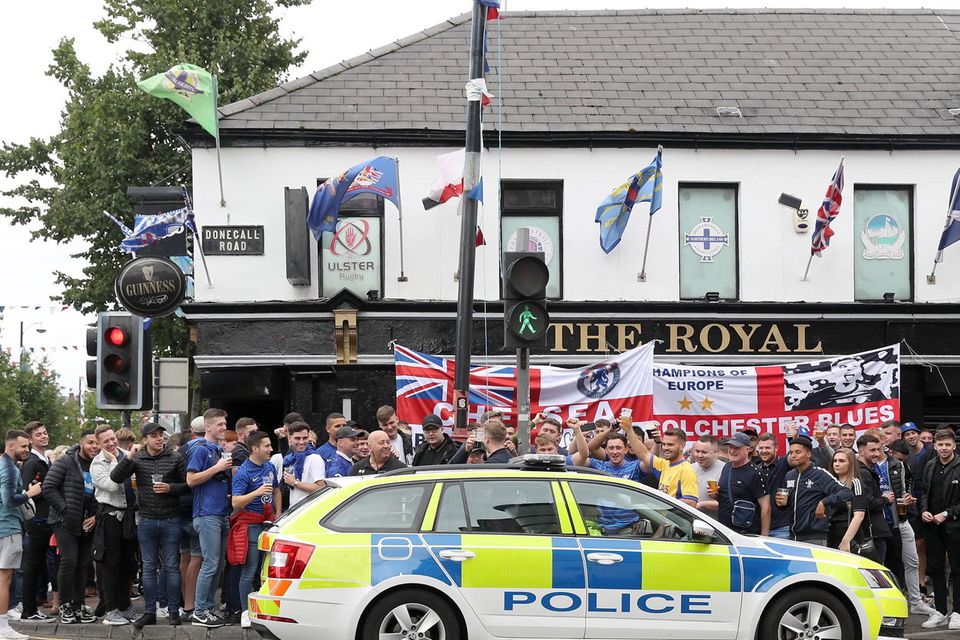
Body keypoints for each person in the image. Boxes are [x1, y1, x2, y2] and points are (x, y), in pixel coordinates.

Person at [112, 422, 186, 629]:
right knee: (148, 568)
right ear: (144, 440)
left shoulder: (175, 457)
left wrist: (170, 488)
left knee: (171, 567)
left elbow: (188, 485)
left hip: (171, 518)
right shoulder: (138, 458)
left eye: (161, 434)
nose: (159, 438)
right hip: (146, 520)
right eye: (153, 435)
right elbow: (115, 477)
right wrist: (129, 455)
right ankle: (150, 612)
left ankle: (173, 611)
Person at [41, 429, 99, 624]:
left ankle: (78, 604)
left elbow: (100, 494)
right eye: (90, 442)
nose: (94, 446)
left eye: (96, 443)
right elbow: (48, 487)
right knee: (69, 560)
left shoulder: (98, 465)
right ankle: (65, 604)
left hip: (86, 522)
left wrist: (95, 516)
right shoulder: (66, 462)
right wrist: (65, 509)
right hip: (64, 521)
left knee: (83, 564)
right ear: (81, 443)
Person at [185, 408, 233, 628]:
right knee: (211, 563)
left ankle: (208, 608)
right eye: (220, 424)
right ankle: (200, 611)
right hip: (207, 514)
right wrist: (217, 468)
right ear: (209, 427)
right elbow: (191, 480)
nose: (224, 427)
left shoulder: (216, 449)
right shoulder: (201, 450)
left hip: (221, 513)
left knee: (219, 564)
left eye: (225, 424)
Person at [228, 431, 279, 630]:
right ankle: (245, 611)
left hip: (269, 524)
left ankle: (265, 609)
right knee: (249, 571)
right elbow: (235, 502)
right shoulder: (243, 472)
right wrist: (256, 492)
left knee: (264, 571)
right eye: (267, 446)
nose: (271, 449)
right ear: (255, 448)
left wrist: (279, 514)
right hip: (250, 525)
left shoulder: (270, 466)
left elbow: (275, 491)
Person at [90, 425, 138, 626]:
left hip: (130, 516)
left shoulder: (130, 454)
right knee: (110, 565)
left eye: (112, 439)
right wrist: (116, 462)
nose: (111, 443)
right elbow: (112, 484)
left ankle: (125, 606)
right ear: (99, 445)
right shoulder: (97, 463)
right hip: (109, 516)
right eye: (106, 441)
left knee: (129, 564)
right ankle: (111, 609)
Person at [775, 432, 852, 546]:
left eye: (798, 452)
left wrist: (823, 502)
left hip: (815, 537)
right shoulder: (789, 475)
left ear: (809, 454)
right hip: (792, 536)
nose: (793, 455)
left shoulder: (819, 474)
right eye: (791, 452)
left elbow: (846, 492)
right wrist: (781, 504)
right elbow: (788, 505)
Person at [0, 431, 41, 639]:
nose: (27, 450)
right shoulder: (9, 467)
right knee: (4, 578)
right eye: (24, 446)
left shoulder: (3, 464)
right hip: (8, 527)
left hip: (4, 527)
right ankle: (3, 628)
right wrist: (29, 493)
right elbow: (8, 500)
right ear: (10, 445)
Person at [919, 429, 960, 630]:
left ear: (954, 446)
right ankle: (941, 612)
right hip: (932, 526)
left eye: (947, 445)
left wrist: (947, 513)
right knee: (935, 569)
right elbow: (924, 492)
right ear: (935, 446)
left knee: (957, 569)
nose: (944, 448)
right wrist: (924, 510)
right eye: (940, 445)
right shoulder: (930, 465)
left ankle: (958, 613)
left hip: (955, 526)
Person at [19, 421, 53, 623]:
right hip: (37, 520)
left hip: (45, 518)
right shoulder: (32, 462)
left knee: (38, 565)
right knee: (33, 566)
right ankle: (29, 609)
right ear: (30, 440)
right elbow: (26, 491)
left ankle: (31, 608)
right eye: (39, 434)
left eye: (45, 432)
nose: (43, 436)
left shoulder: (45, 459)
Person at [626, 421, 698, 507]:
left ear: (682, 446)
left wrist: (663, 506)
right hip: (664, 519)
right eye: (664, 444)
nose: (666, 448)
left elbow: (691, 502)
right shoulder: (664, 464)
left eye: (670, 445)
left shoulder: (686, 470)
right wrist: (629, 429)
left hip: (673, 519)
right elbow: (643, 454)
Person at [713, 433, 770, 535]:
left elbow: (766, 507)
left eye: (737, 448)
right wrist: (715, 495)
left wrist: (764, 536)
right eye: (730, 447)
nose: (732, 451)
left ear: (747, 450)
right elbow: (725, 498)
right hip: (724, 532)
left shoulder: (755, 473)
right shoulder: (726, 467)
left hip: (746, 533)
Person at [176, 417, 204, 620]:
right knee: (197, 558)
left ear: (192, 432)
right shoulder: (207, 450)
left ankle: (185, 603)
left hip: (178, 508)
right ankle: (190, 605)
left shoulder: (180, 451)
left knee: (184, 558)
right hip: (196, 508)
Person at [855, 434, 894, 562]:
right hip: (871, 531)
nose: (877, 454)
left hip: (870, 530)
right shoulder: (863, 472)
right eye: (872, 450)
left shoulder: (864, 469)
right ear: (861, 451)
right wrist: (886, 499)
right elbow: (867, 503)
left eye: (878, 449)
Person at [826, 448, 871, 556]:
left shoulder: (855, 483)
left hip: (849, 533)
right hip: (830, 533)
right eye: (835, 461)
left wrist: (846, 540)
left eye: (841, 461)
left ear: (850, 464)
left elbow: (859, 515)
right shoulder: (829, 483)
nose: (836, 464)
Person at [569, 421, 643, 480]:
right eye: (611, 448)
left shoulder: (635, 466)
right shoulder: (598, 465)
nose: (615, 452)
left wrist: (629, 429)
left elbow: (648, 457)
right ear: (606, 450)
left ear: (626, 449)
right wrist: (577, 430)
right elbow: (582, 455)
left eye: (618, 448)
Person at [755, 433, 791, 539]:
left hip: (782, 528)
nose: (764, 451)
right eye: (761, 448)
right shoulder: (756, 469)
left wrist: (793, 439)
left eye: (767, 447)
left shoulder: (785, 463)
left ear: (776, 448)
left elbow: (795, 456)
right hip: (760, 528)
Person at [281, 422, 326, 506]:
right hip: (295, 509)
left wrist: (295, 483)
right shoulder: (290, 459)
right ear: (289, 439)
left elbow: (321, 487)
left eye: (304, 438)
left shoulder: (314, 458)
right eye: (297, 438)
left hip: (310, 509)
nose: (301, 442)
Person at [690, 435, 725, 520]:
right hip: (689, 522)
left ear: (716, 452)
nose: (699, 455)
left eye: (704, 452)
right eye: (697, 451)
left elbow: (729, 504)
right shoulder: (690, 468)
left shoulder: (725, 471)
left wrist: (702, 505)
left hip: (714, 527)